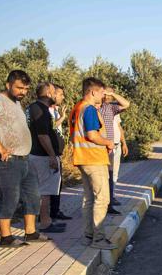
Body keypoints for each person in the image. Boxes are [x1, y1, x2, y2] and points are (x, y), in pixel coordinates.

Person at [0, 70, 49, 247]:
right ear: (8, 84)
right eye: (19, 88)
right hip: (7, 161)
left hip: (25, 158)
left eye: (26, 88)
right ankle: (6, 237)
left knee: (32, 196)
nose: (23, 92)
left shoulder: (16, 103)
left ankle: (30, 232)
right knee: (10, 197)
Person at [70, 77, 117, 250]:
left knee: (89, 199)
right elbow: (92, 135)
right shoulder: (89, 109)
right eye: (102, 92)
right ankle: (99, 239)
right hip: (94, 159)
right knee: (102, 199)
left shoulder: (77, 108)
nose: (104, 96)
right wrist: (108, 143)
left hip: (82, 158)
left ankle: (88, 235)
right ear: (93, 92)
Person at [26, 82, 65, 233]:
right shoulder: (41, 109)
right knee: (45, 191)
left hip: (34, 154)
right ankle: (45, 222)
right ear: (48, 93)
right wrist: (52, 156)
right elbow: (43, 136)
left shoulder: (32, 107)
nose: (57, 95)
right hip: (41, 156)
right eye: (55, 92)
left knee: (40, 190)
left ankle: (42, 221)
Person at [98, 87, 130, 215]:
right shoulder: (93, 107)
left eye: (108, 94)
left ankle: (109, 204)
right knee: (99, 178)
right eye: (104, 93)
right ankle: (99, 206)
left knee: (110, 176)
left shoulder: (111, 107)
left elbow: (126, 104)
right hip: (97, 147)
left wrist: (113, 94)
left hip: (110, 148)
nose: (106, 96)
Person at [49, 84, 71, 221]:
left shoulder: (55, 110)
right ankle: (48, 214)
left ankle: (55, 211)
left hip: (57, 153)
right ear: (53, 94)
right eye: (61, 94)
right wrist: (62, 118)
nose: (63, 97)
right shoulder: (46, 110)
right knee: (50, 186)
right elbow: (50, 127)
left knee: (57, 184)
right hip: (49, 154)